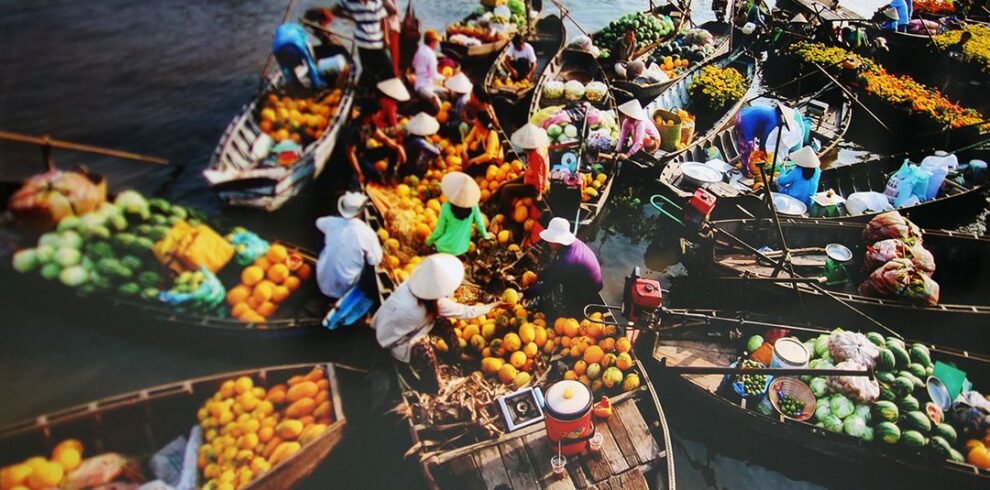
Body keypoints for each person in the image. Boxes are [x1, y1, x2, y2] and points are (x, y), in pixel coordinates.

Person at [373, 254, 500, 363]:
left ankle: (457, 354)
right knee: (426, 352)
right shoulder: (438, 303)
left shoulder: (409, 284)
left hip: (384, 322)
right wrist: (493, 305)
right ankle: (432, 385)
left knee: (444, 323)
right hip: (393, 340)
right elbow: (468, 312)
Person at [316, 192, 383, 299]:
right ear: (360, 212)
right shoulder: (367, 232)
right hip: (345, 288)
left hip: (322, 281)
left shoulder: (331, 223)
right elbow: (375, 260)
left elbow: (319, 222)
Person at [527, 217, 603, 312]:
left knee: (570, 306)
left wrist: (525, 294)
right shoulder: (571, 245)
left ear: (559, 241)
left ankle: (574, 310)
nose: (548, 242)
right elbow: (554, 265)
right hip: (588, 279)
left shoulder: (567, 260)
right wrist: (539, 276)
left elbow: (547, 286)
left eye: (550, 240)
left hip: (588, 288)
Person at [426, 172, 491, 255]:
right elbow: (480, 224)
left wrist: (429, 241)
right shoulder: (474, 206)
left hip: (444, 248)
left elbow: (439, 231)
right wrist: (486, 236)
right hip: (462, 248)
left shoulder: (446, 207)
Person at [733, 102, 802, 178]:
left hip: (742, 114)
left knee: (752, 146)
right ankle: (745, 171)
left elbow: (762, 128)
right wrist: (763, 152)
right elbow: (765, 137)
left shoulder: (771, 110)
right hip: (745, 123)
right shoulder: (775, 119)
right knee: (747, 148)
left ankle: (745, 162)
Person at [335, 0, 393, 86]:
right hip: (363, 42)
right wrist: (350, 17)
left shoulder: (376, 2)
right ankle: (367, 90)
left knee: (388, 69)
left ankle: (376, 89)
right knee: (368, 70)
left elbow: (384, 18)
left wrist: (386, 38)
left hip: (377, 42)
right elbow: (336, 11)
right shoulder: (349, 2)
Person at [499, 124, 551, 212]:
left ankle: (503, 214)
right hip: (531, 176)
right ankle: (489, 203)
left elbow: (539, 177)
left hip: (534, 187)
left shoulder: (536, 155)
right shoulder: (539, 146)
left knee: (507, 190)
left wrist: (539, 194)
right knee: (504, 185)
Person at [412, 29, 444, 113]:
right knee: (436, 98)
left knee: (444, 92)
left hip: (419, 84)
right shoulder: (431, 55)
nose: (437, 44)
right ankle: (440, 114)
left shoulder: (420, 49)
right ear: (432, 42)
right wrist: (445, 78)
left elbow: (414, 64)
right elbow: (434, 76)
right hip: (424, 88)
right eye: (436, 42)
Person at [401, 112, 441, 177]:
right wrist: (436, 146)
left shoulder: (411, 135)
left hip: (404, 167)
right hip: (414, 170)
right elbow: (436, 152)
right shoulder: (419, 141)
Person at [444, 72, 474, 137]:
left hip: (466, 123)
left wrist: (448, 124)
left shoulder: (461, 101)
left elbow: (460, 119)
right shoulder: (467, 94)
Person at [382, 0, 401, 75]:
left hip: (395, 30)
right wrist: (386, 36)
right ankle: (393, 75)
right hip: (390, 31)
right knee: (393, 59)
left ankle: (395, 74)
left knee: (395, 59)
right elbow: (385, 17)